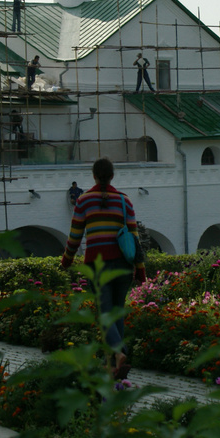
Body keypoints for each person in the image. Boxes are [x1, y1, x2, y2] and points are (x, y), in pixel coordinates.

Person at [61, 158, 147, 380]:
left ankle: (118, 353)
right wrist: (140, 268)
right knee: (117, 313)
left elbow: (75, 236)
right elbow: (134, 238)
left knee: (105, 315)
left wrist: (67, 260)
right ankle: (113, 367)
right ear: (112, 175)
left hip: (98, 266)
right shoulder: (124, 201)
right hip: (124, 266)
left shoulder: (84, 201)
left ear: (93, 175)